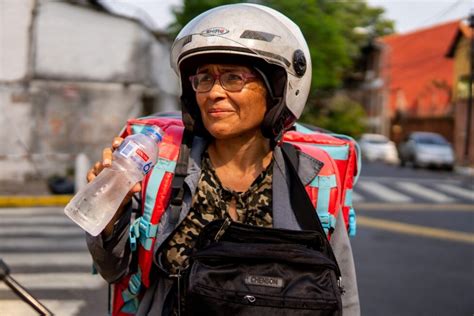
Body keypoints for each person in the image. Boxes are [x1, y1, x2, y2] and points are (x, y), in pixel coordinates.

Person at [86, 3, 360, 315]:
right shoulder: (159, 171)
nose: (213, 92)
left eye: (232, 78)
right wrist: (110, 215)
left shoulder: (315, 182)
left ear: (276, 89)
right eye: (204, 78)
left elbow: (343, 296)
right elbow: (113, 269)